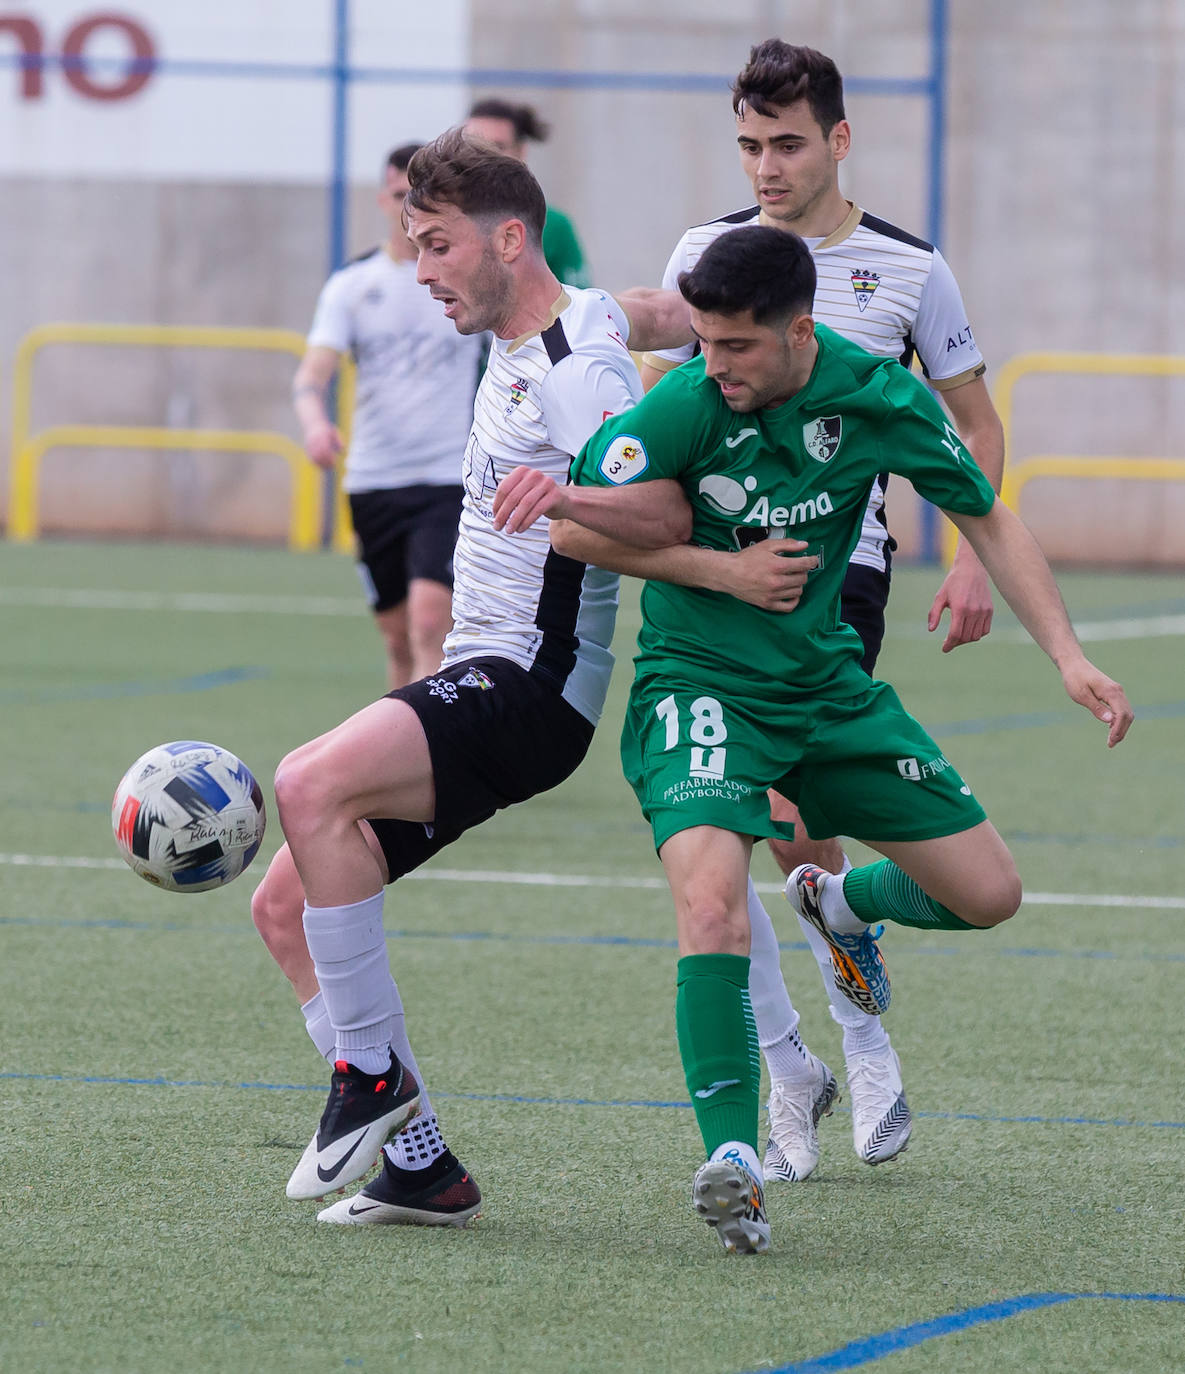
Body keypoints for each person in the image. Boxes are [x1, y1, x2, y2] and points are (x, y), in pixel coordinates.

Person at [492, 225, 1132, 1254]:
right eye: (702, 340)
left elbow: (987, 516)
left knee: (991, 895)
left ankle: (840, 901)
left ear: (799, 332)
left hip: (827, 691)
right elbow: (575, 526)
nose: (714, 365)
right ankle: (735, 1158)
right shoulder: (686, 401)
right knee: (710, 901)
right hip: (697, 690)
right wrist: (722, 571)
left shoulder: (877, 395)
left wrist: (1067, 655)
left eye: (736, 346)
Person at [256, 127, 691, 1226]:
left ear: (508, 238)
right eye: (411, 242)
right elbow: (648, 312)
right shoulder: (564, 318)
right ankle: (424, 1166)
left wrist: (576, 498)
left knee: (306, 784)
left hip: (532, 688)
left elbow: (661, 509)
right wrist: (700, 323)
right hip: (483, 672)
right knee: (284, 906)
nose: (421, 269)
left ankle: (370, 1077)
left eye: (437, 244)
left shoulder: (572, 370)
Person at [637, 40, 1009, 1181]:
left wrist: (973, 559)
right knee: (728, 835)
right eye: (748, 145)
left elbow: (971, 421)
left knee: (798, 828)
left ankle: (847, 1001)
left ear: (838, 141)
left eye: (787, 144)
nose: (765, 166)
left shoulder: (909, 266)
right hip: (719, 583)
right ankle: (795, 1051)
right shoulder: (708, 255)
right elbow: (667, 423)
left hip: (840, 572)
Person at [293, 142, 482, 689]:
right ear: (383, 199)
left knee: (431, 624)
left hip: (448, 477)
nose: (408, 212)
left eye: (419, 200)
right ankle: (403, 760)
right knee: (398, 640)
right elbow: (310, 379)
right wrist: (316, 426)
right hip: (374, 480)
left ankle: (436, 757)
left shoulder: (468, 282)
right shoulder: (353, 287)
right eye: (400, 197)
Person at [465, 98, 591, 287]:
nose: (484, 156)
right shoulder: (440, 217)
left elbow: (580, 301)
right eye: (475, 145)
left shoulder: (554, 225)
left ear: (521, 151)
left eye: (497, 146)